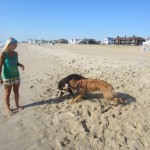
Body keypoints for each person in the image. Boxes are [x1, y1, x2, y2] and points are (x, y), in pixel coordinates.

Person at [0, 38, 25, 114]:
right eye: (15, 44)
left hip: (16, 75)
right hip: (7, 77)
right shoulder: (3, 54)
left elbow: (15, 63)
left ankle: (17, 105)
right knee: (7, 93)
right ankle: (8, 108)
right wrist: (0, 77)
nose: (16, 46)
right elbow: (0, 66)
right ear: (10, 44)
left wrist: (20, 65)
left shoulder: (16, 53)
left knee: (16, 91)